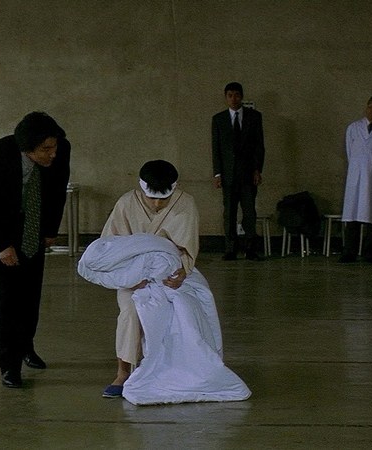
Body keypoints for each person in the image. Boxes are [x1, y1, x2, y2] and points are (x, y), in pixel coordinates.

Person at [0, 111, 70, 388]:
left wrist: (50, 230)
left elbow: (58, 189)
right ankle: (9, 366)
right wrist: (2, 246)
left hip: (33, 226)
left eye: (54, 147)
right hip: (1, 229)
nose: (53, 154)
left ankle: (26, 346)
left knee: (30, 294)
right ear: (27, 148)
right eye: (45, 149)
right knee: (9, 299)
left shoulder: (60, 149)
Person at [99, 160, 199, 398]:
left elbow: (189, 247)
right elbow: (109, 246)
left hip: (172, 274)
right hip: (132, 275)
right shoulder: (126, 203)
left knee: (186, 309)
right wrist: (129, 277)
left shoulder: (186, 203)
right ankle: (123, 372)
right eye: (152, 198)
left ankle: (175, 370)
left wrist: (183, 271)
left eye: (163, 199)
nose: (157, 204)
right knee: (131, 312)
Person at [211, 81, 266, 261]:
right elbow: (216, 148)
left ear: (241, 97)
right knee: (229, 213)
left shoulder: (254, 117)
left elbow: (259, 146)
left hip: (248, 173)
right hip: (228, 174)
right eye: (230, 95)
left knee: (249, 212)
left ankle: (250, 249)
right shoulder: (219, 119)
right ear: (226, 98)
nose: (233, 99)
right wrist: (217, 174)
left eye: (236, 95)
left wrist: (257, 169)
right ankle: (230, 249)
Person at [340, 95, 372, 263]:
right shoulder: (353, 128)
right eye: (371, 107)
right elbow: (350, 152)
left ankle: (370, 253)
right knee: (353, 215)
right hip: (356, 177)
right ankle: (349, 252)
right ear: (366, 106)